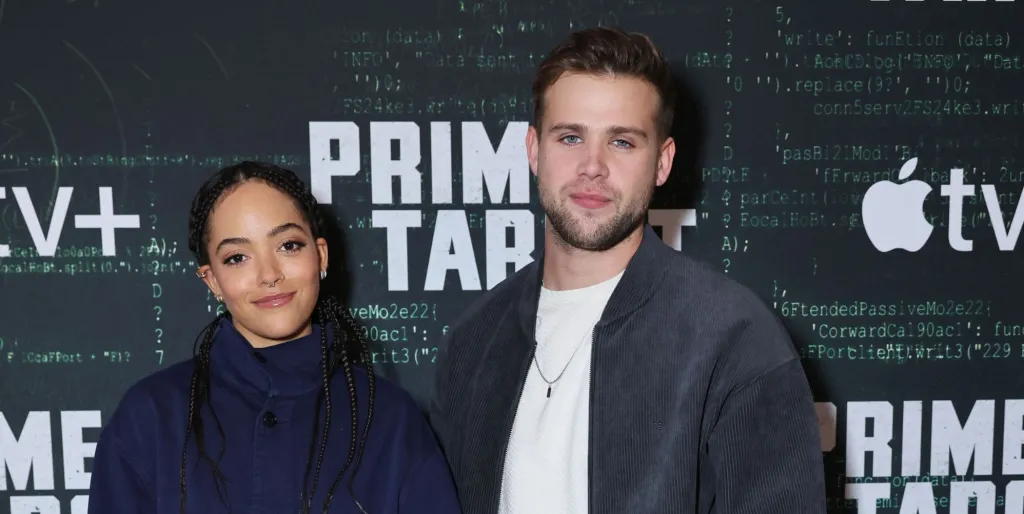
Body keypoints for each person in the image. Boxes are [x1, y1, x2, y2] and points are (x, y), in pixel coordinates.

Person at [428, 27, 826, 513]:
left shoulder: (734, 339)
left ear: (662, 162)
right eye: (570, 137)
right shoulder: (473, 342)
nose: (592, 166)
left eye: (621, 142)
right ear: (534, 150)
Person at [89, 161, 461, 514]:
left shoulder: (389, 417)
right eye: (237, 257)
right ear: (212, 280)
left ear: (320, 255)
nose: (269, 274)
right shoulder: (151, 417)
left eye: (288, 245)